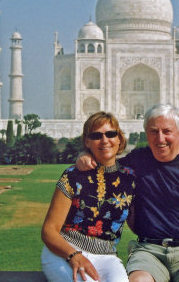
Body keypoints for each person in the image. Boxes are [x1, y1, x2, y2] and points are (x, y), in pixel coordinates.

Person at [78, 104, 179, 282]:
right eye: (153, 131)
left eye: (167, 131)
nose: (160, 138)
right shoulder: (137, 160)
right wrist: (84, 156)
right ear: (146, 133)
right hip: (150, 251)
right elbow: (107, 165)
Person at [41, 111, 136, 282]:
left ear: (119, 139)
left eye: (110, 134)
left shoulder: (130, 178)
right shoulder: (73, 175)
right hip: (65, 252)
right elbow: (49, 231)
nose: (105, 140)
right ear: (87, 141)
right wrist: (73, 255)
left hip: (107, 257)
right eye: (96, 135)